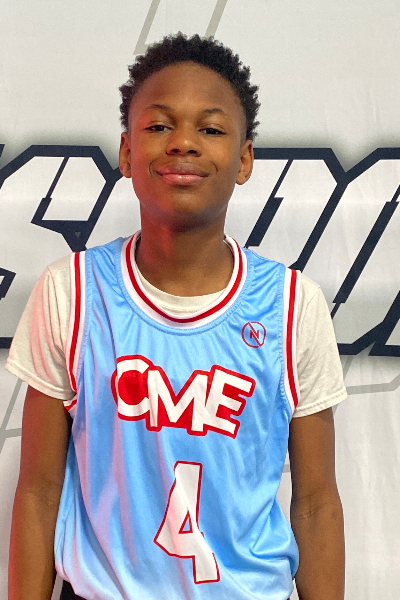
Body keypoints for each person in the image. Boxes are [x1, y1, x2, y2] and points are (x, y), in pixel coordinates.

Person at [6, 33, 346, 600]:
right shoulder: (72, 291)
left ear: (244, 159)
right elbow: (39, 493)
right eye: (160, 125)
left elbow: (315, 504)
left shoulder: (292, 305)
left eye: (210, 129)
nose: (183, 143)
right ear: (126, 152)